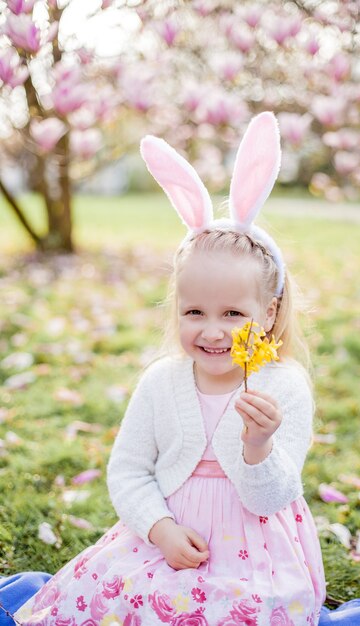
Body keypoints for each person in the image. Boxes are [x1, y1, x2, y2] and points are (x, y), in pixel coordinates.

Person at [14, 112, 326, 625]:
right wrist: (159, 529)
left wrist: (257, 446)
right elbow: (130, 469)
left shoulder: (281, 385)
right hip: (163, 538)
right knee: (119, 601)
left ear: (268, 313)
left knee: (238, 613)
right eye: (193, 312)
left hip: (252, 555)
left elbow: (271, 498)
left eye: (232, 314)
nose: (211, 331)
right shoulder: (163, 381)